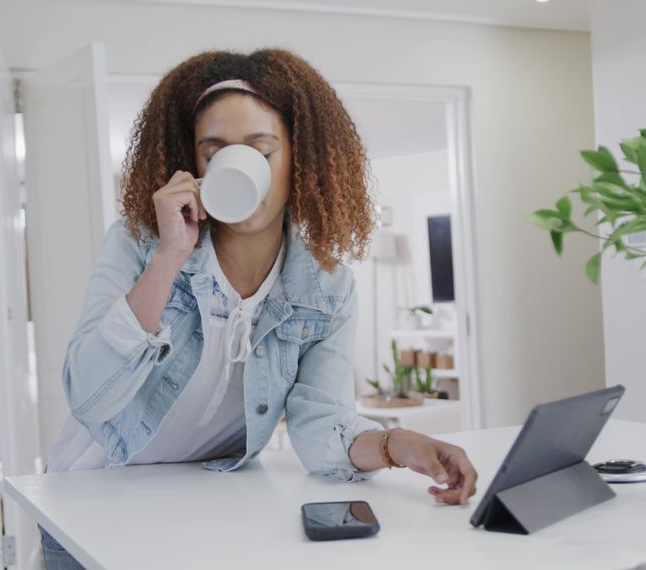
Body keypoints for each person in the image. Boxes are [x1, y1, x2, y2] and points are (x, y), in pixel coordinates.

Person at [38, 48, 478, 568]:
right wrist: (169, 257)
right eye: (214, 152)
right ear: (193, 162)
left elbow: (321, 426)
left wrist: (396, 445)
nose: (235, 167)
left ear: (299, 158)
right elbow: (88, 397)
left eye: (260, 150)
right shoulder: (139, 243)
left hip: (208, 504)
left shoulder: (326, 287)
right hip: (92, 500)